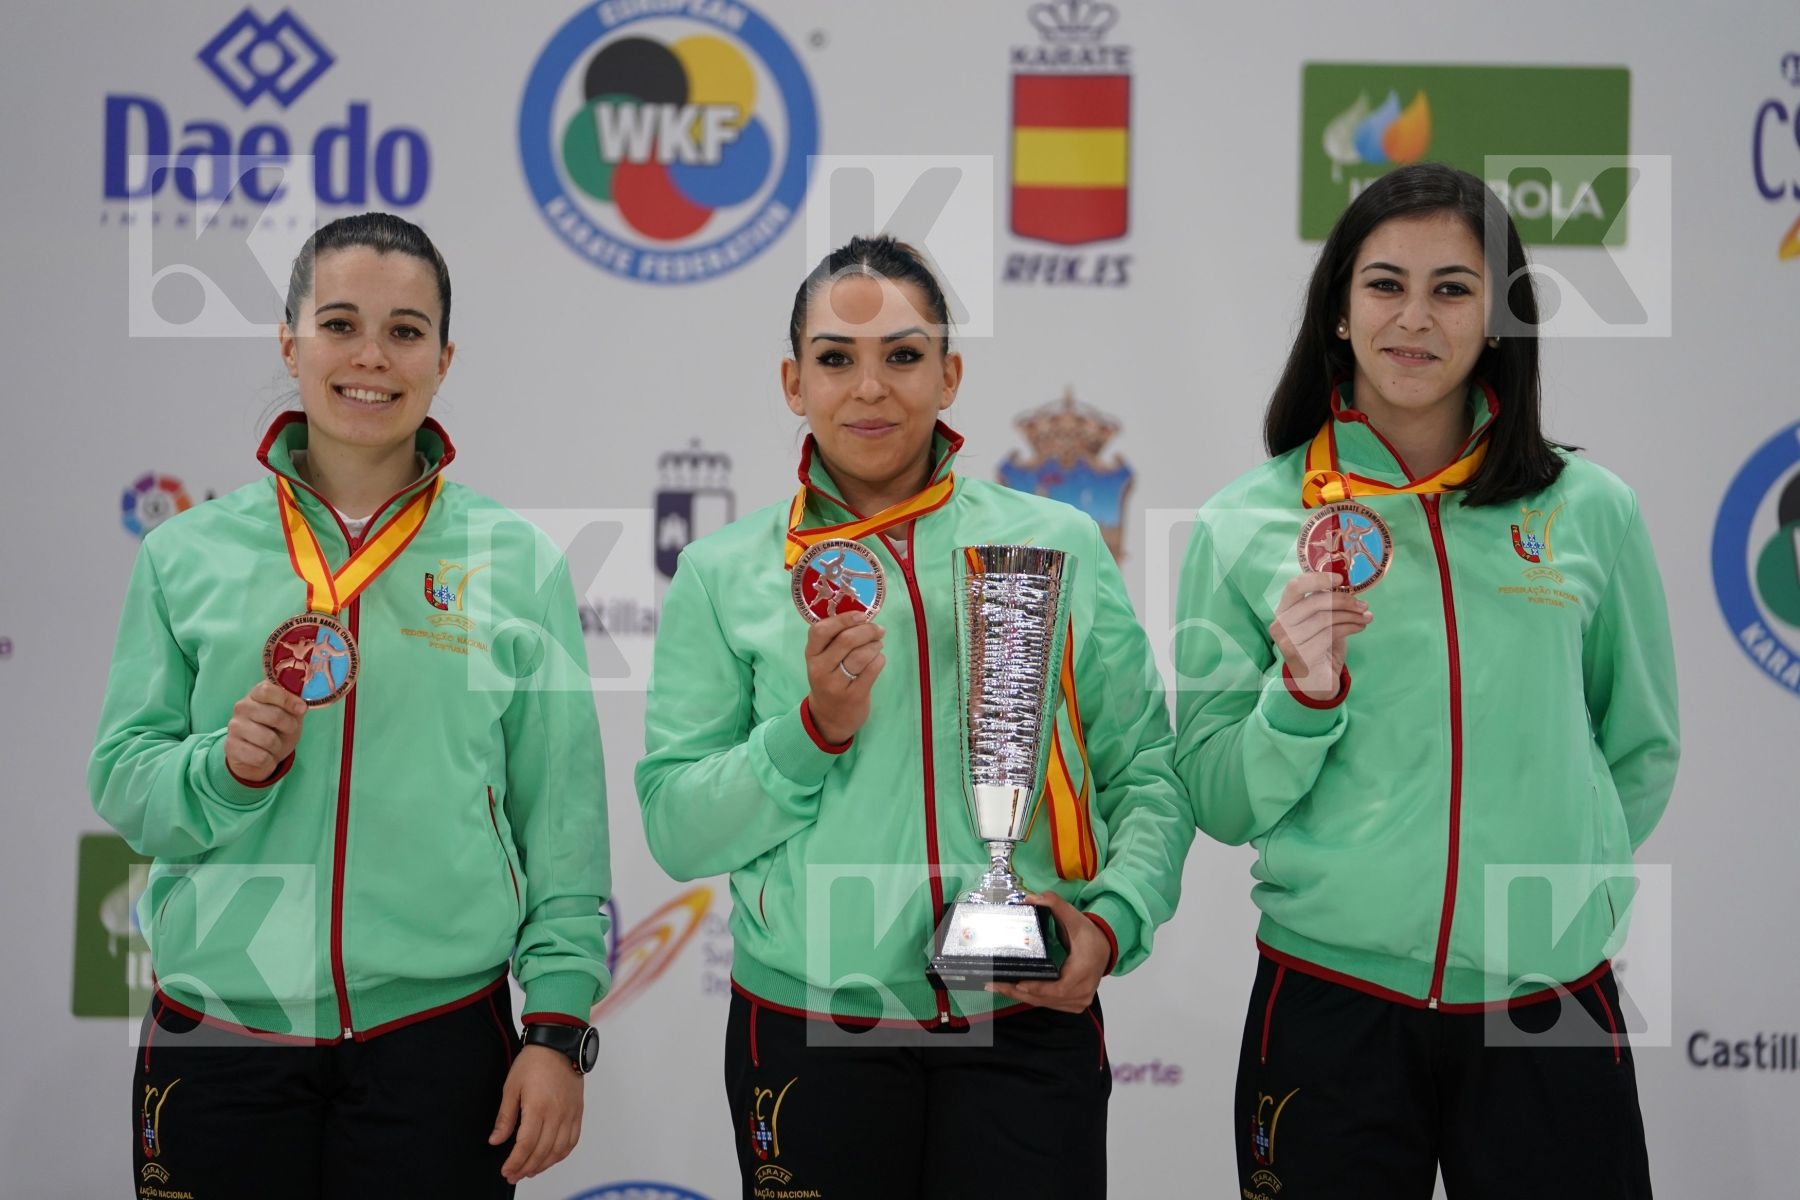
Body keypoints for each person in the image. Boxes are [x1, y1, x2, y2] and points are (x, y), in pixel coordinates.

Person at [635, 235, 1192, 1198]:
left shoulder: (1052, 544)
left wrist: (1111, 924)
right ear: (792, 381)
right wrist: (809, 736)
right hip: (812, 1027)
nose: (870, 388)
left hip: (1024, 1019)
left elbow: (1146, 767)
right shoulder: (724, 573)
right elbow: (678, 827)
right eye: (836, 359)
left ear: (950, 375)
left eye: (902, 355)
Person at [1173, 162, 1679, 1198]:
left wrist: (1559, 886)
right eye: (1385, 284)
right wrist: (1301, 701)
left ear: (1498, 317)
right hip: (1329, 1000)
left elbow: (1639, 745)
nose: (1416, 317)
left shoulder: (1589, 509)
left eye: (1453, 287)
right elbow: (1219, 796)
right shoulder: (1245, 523)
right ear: (1340, 313)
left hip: (1548, 1003)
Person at [89, 213, 612, 1197]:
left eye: (407, 331)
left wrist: (554, 1028)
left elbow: (565, 826)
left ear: (444, 358)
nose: (372, 356)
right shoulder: (186, 555)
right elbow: (124, 779)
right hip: (221, 1031)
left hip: (438, 1037)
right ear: (290, 344)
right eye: (340, 324)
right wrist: (222, 769)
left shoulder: (516, 563)